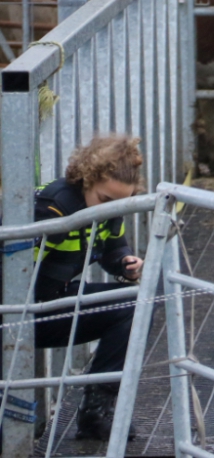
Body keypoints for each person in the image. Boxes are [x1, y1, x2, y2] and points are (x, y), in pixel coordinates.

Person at [33, 135, 145, 441]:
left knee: (134, 305)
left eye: (121, 203)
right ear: (86, 179)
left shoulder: (108, 209)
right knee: (129, 308)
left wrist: (126, 264)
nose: (111, 210)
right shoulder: (52, 208)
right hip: (21, 314)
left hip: (56, 302)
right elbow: (13, 267)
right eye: (106, 201)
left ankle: (98, 409)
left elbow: (112, 250)